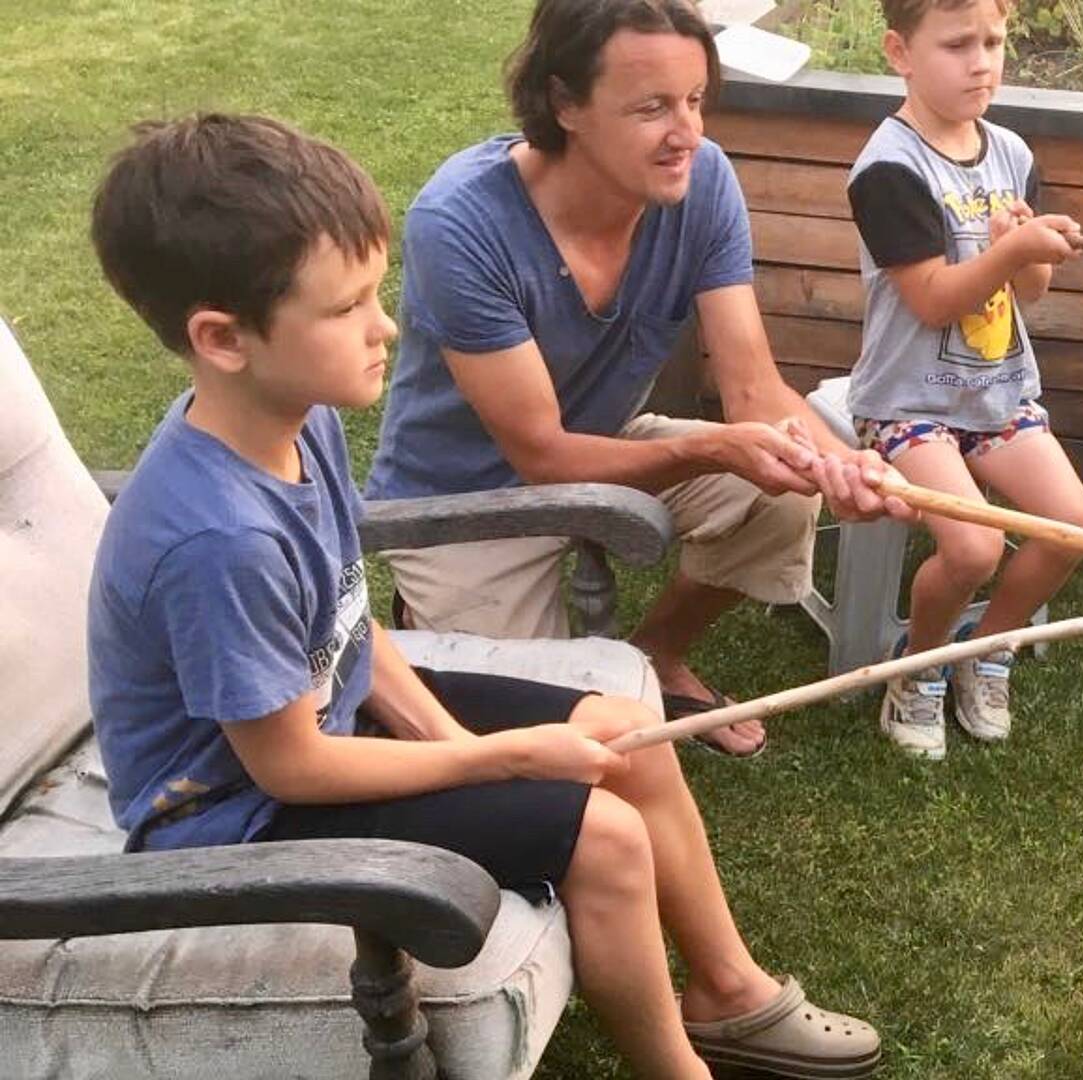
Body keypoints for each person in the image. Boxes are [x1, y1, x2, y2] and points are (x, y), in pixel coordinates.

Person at [86, 113, 881, 1080]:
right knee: (606, 835)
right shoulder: (218, 537)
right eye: (345, 309)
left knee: (626, 732)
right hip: (230, 821)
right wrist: (499, 758)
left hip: (319, 737)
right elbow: (291, 770)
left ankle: (727, 991)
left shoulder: (295, 420)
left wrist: (459, 749)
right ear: (223, 338)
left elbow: (344, 625)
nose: (386, 326)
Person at [364, 0, 904, 758]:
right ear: (564, 104)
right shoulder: (461, 223)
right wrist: (715, 449)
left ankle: (656, 652)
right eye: (653, 107)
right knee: (547, 739)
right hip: (463, 497)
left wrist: (838, 463)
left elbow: (754, 391)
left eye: (695, 100)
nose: (688, 133)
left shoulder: (702, 181)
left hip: (606, 441)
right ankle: (433, 634)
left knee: (778, 497)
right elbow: (542, 459)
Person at [847, 0, 1083, 760]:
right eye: (957, 44)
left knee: (1073, 527)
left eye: (993, 42)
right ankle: (917, 670)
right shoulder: (888, 169)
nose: (981, 61)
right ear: (901, 51)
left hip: (995, 394)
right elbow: (929, 302)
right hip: (908, 401)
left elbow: (1030, 294)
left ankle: (984, 651)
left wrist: (1025, 253)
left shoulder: (1012, 153)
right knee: (972, 551)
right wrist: (1007, 248)